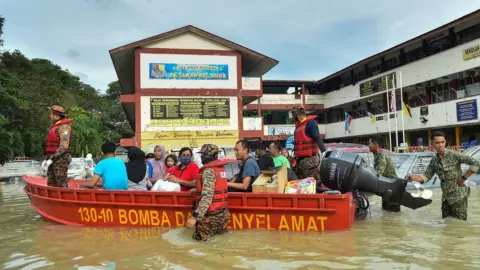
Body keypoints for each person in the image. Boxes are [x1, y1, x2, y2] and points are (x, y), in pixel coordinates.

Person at [406, 131, 480, 220]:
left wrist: (463, 178)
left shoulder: (454, 155)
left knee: (460, 224)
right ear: (432, 144)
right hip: (445, 198)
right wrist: (412, 177)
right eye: (437, 143)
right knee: (447, 224)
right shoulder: (434, 160)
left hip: (458, 196)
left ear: (445, 142)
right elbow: (426, 177)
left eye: (442, 142)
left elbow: (476, 163)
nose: (441, 145)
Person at [185, 144, 230, 241]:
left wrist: (195, 217)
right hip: (223, 214)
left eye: (203, 155)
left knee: (199, 244)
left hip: (211, 217)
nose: (201, 157)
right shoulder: (220, 169)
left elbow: (207, 197)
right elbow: (215, 188)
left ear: (207, 156)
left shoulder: (208, 171)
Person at [291, 105, 326, 182]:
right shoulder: (299, 126)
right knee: (300, 183)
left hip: (310, 160)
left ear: (296, 115)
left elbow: (317, 137)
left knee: (312, 183)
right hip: (300, 160)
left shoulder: (311, 123)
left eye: (293, 115)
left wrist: (324, 151)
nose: (293, 118)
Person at [44, 105, 73, 187]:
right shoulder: (55, 126)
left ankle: (65, 198)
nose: (50, 116)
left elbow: (64, 146)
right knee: (51, 182)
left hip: (60, 158)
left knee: (61, 182)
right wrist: (47, 158)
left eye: (51, 114)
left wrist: (52, 159)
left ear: (56, 115)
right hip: (52, 157)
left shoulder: (64, 127)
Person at [368, 136, 400, 212]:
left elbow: (378, 175)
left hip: (392, 190)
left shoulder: (382, 156)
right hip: (387, 189)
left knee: (392, 215)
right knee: (386, 214)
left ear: (376, 144)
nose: (368, 146)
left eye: (370, 143)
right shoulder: (377, 156)